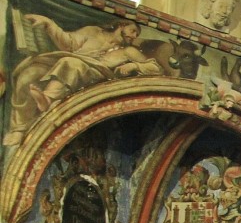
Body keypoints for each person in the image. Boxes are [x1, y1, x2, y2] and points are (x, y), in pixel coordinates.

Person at [4, 16, 161, 146]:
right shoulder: (92, 31)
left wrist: (135, 64)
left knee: (72, 64)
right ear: (122, 24)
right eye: (133, 31)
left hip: (96, 75)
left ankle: (47, 97)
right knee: (29, 74)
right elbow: (69, 42)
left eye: (136, 35)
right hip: (67, 62)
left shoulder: (128, 51)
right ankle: (19, 128)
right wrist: (49, 23)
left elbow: (155, 68)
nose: (133, 36)